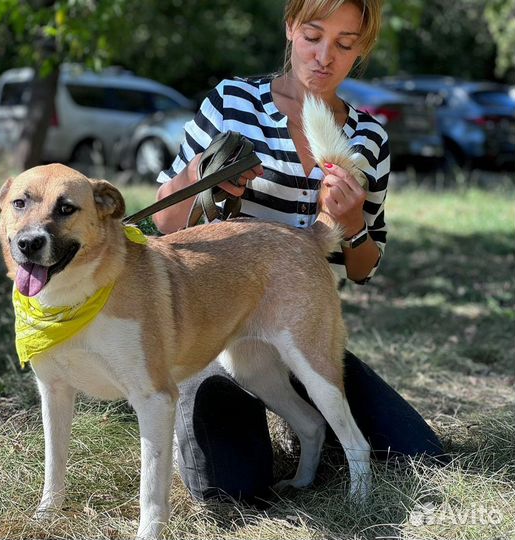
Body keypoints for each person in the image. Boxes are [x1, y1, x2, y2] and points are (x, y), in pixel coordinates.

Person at [152, 0, 445, 504]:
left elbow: (365, 266)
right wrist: (202, 176)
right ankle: (280, 425)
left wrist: (352, 223)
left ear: (361, 50)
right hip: (212, 320)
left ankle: (313, 428)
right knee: (231, 490)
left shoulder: (368, 137)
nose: (324, 56)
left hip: (300, 318)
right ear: (290, 28)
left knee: (420, 456)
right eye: (313, 36)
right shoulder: (232, 101)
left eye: (344, 44)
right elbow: (163, 222)